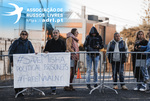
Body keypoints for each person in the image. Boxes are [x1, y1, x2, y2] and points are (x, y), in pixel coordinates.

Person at [9, 30, 35, 97]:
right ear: (20, 35)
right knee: (17, 76)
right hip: (17, 63)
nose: (24, 35)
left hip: (25, 64)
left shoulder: (28, 43)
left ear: (27, 35)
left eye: (25, 34)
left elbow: (32, 51)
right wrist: (12, 61)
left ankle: (21, 91)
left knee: (23, 77)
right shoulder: (16, 42)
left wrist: (35, 55)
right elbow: (11, 51)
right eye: (23, 34)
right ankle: (16, 90)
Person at [44, 29, 66, 95]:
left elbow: (64, 51)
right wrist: (46, 52)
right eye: (54, 33)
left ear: (59, 34)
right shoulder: (49, 42)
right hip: (51, 62)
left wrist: (66, 52)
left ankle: (55, 87)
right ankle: (53, 88)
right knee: (52, 74)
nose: (55, 34)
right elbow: (45, 50)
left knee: (57, 74)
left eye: (56, 33)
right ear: (52, 34)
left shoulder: (62, 42)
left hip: (59, 62)